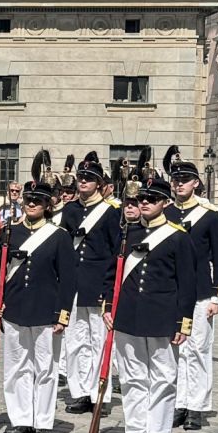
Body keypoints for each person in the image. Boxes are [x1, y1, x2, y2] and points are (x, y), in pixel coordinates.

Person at [111, 175, 195, 433]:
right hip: (129, 316)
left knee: (162, 379)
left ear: (165, 203)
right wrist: (108, 307)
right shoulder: (127, 235)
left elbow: (187, 284)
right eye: (141, 199)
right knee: (132, 378)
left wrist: (184, 322)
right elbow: (113, 275)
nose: (144, 203)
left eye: (151, 199)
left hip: (162, 317)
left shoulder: (177, 237)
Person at [0, 178, 74, 433]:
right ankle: (21, 419)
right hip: (14, 308)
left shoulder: (58, 236)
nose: (32, 203)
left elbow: (68, 278)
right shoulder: (10, 232)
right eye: (28, 199)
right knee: (16, 367)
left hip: (45, 310)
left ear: (48, 205)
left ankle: (43, 423)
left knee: (46, 369)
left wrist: (62, 313)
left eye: (38, 200)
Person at [166, 155, 218, 432]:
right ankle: (179, 403)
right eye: (176, 180)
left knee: (198, 350)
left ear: (196, 183)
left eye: (184, 180)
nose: (179, 184)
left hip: (200, 291)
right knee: (174, 351)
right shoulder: (166, 214)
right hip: (171, 292)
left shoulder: (210, 216)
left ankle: (197, 406)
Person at [59, 152, 123, 416]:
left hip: (98, 284)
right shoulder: (71, 209)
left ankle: (101, 394)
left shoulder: (110, 212)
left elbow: (114, 250)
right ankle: (80, 391)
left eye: (89, 179)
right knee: (74, 342)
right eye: (80, 178)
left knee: (99, 341)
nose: (83, 182)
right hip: (73, 283)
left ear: (99, 183)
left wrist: (109, 289)